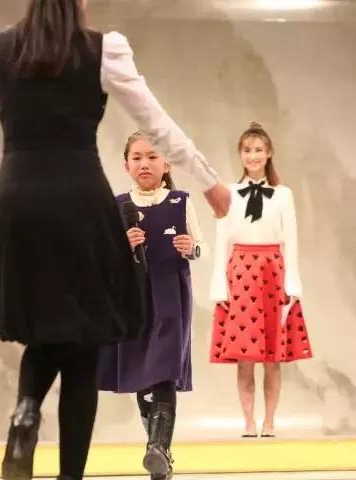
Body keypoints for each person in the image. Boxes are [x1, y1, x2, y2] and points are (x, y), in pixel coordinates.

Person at [0, 1, 230, 479]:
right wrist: (207, 179)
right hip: (81, 201)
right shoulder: (104, 49)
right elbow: (156, 123)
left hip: (17, 200)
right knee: (85, 345)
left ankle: (26, 411)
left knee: (42, 330)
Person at [98, 132, 205, 479]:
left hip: (170, 294)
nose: (145, 163)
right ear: (126, 165)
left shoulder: (180, 201)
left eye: (152, 156)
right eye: (137, 157)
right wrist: (122, 245)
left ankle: (158, 447)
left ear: (166, 163)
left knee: (164, 368)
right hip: (132, 298)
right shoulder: (117, 205)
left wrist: (191, 248)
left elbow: (200, 246)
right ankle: (159, 452)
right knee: (143, 371)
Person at [208, 122, 313, 439]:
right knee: (245, 357)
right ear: (240, 154)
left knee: (271, 357)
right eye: (247, 150)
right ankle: (248, 422)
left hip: (272, 272)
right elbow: (221, 241)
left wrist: (292, 283)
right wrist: (219, 285)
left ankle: (269, 421)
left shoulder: (283, 195)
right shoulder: (228, 193)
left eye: (258, 150)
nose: (252, 156)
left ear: (269, 153)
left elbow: (291, 240)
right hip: (240, 273)